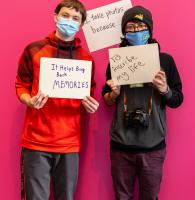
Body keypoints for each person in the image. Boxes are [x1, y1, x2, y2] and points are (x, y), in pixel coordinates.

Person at [15, 0, 99, 200]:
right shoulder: (34, 50)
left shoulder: (86, 59)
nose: (69, 21)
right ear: (55, 17)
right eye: (65, 16)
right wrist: (29, 100)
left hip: (69, 142)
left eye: (76, 18)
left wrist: (90, 105)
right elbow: (21, 85)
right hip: (36, 141)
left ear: (81, 24)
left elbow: (89, 92)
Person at [102, 5, 183, 200]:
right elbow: (106, 100)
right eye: (131, 27)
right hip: (121, 145)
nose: (136, 31)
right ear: (124, 32)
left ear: (149, 29)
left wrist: (165, 90)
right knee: (122, 196)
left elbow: (178, 99)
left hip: (153, 146)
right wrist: (114, 94)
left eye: (141, 27)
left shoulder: (166, 61)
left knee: (150, 197)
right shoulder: (116, 62)